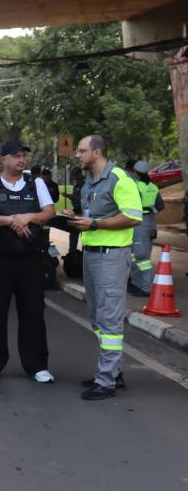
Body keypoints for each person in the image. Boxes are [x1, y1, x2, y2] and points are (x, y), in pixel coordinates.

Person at [0, 139, 56, 383]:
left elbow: (49, 212)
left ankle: (37, 365)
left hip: (30, 258)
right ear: (4, 159)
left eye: (23, 156)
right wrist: (11, 221)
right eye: (16, 156)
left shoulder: (36, 183)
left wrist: (28, 217)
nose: (22, 160)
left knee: (33, 311)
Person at [68, 135, 142, 400]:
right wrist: (78, 219)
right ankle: (113, 371)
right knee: (97, 318)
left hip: (112, 257)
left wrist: (95, 224)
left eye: (82, 151)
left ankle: (106, 381)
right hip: (92, 255)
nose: (77, 155)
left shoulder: (119, 178)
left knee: (109, 318)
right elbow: (94, 216)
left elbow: (133, 216)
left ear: (97, 152)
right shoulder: (89, 181)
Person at [128, 160, 164, 297]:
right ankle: (136, 283)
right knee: (138, 255)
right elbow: (160, 206)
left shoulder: (136, 186)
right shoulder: (153, 187)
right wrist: (150, 209)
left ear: (135, 173)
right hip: (151, 223)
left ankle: (145, 287)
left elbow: (131, 205)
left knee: (142, 258)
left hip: (140, 224)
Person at [64, 166, 85, 253]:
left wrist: (70, 196)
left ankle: (84, 252)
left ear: (79, 174)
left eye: (75, 175)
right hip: (76, 211)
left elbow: (83, 197)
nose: (74, 177)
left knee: (84, 233)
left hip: (83, 212)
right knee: (73, 233)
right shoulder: (76, 184)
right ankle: (72, 252)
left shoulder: (84, 184)